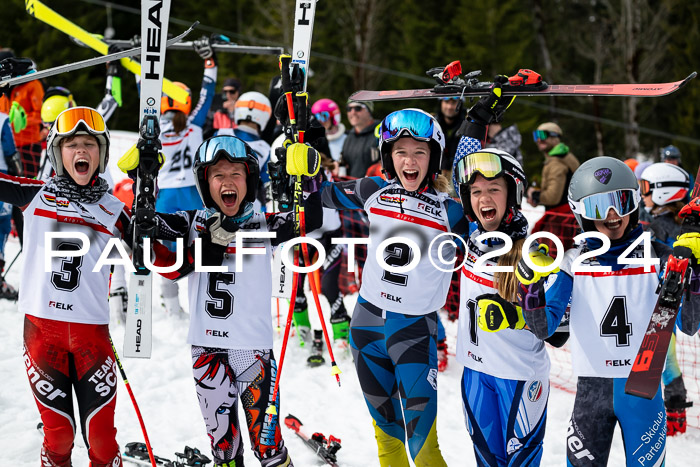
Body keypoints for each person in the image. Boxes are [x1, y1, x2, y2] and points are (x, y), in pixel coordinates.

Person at [120, 134, 324, 466]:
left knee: (268, 448)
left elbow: (310, 217)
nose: (227, 182)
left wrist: (309, 173)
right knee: (224, 449)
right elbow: (146, 226)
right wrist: (142, 186)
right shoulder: (192, 221)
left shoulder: (265, 224)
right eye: (218, 175)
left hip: (252, 351)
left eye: (235, 174)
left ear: (249, 180)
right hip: (206, 351)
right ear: (205, 182)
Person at [287, 107, 471, 466]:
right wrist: (301, 161)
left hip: (414, 332)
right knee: (387, 443)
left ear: (433, 157)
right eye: (401, 151)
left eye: (420, 151)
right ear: (388, 156)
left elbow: (486, 200)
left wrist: (476, 123)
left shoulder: (451, 212)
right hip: (366, 327)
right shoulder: (373, 190)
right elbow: (318, 196)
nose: (410, 160)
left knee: (424, 447)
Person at [515, 156, 700, 465]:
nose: (613, 215)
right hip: (591, 394)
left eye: (621, 201)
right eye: (599, 207)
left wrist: (693, 276)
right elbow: (543, 328)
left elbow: (689, 324)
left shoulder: (658, 257)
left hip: (642, 390)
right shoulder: (574, 261)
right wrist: (530, 288)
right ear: (581, 213)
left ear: (635, 203)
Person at [0, 107, 128, 466]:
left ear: (101, 154)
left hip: (92, 337)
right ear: (58, 153)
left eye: (89, 143)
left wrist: (149, 211)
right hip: (42, 334)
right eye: (72, 144)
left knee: (102, 441)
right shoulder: (35, 194)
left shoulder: (116, 209)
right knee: (59, 438)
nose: (81, 151)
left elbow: (161, 260)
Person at [155, 40, 217, 316]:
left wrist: (140, 65)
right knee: (198, 249)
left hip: (166, 195)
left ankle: (171, 307)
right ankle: (201, 301)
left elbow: (143, 89)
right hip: (193, 194)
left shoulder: (152, 126)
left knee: (166, 251)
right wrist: (209, 63)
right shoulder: (192, 127)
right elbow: (207, 94)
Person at [638, 162, 694, 436]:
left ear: (664, 192)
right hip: (662, 303)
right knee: (662, 360)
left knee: (664, 361)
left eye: (646, 188)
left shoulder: (665, 227)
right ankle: (673, 412)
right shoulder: (668, 222)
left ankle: (673, 415)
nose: (643, 194)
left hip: (666, 304)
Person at [527, 122, 580, 254]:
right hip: (569, 217)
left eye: (542, 135)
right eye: (535, 135)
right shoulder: (564, 156)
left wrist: (534, 195)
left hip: (560, 220)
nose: (538, 139)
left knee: (550, 259)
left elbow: (553, 197)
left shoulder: (557, 161)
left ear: (555, 137)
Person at [217, 91, 272, 210]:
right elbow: (268, 186)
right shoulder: (265, 148)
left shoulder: (220, 134)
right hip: (250, 208)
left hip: (216, 201)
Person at [0, 105, 20, 299]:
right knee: (2, 225)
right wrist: (19, 173)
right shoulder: (3, 118)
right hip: (2, 179)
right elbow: (9, 150)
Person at [340, 99, 379, 178]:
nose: (353, 112)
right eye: (349, 109)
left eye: (358, 108)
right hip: (353, 187)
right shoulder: (349, 137)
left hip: (377, 187)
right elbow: (344, 163)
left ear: (369, 111)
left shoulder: (380, 133)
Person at [435, 97, 465, 183]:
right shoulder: (432, 124)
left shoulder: (469, 124)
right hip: (437, 175)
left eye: (454, 103)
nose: (450, 107)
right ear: (440, 103)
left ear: (460, 104)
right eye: (446, 102)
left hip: (461, 174)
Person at [311, 98, 346, 162]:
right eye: (316, 118)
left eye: (324, 116)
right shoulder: (315, 142)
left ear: (334, 116)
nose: (320, 121)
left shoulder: (347, 138)